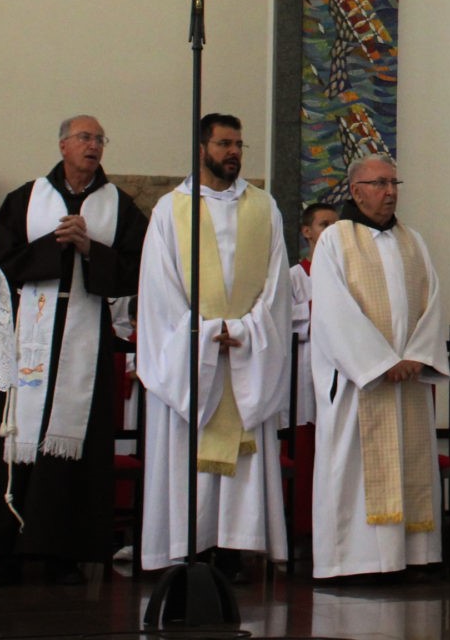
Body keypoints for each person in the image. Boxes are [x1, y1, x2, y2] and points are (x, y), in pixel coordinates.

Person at [0, 115, 148, 586]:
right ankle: (6, 553)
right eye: (84, 138)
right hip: (28, 332)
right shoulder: (25, 199)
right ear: (63, 145)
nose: (94, 146)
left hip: (86, 335)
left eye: (99, 139)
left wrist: (90, 249)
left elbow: (138, 269)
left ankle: (63, 554)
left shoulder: (120, 206)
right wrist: (57, 246)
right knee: (16, 434)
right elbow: (0, 265)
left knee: (77, 444)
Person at [137, 114, 291, 578]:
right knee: (188, 459)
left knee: (244, 459)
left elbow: (277, 286)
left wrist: (245, 331)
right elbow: (158, 289)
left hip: (246, 353)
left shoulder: (264, 207)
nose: (234, 152)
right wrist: (202, 335)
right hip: (192, 361)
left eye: (239, 144)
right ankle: (190, 547)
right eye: (224, 143)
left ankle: (234, 549)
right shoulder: (170, 210)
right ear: (201, 147)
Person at [308, 153, 449, 581]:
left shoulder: (413, 241)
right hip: (361, 384)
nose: (390, 192)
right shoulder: (335, 240)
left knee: (411, 462)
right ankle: (357, 561)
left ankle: (410, 557)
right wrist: (380, 362)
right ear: (356, 191)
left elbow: (433, 301)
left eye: (393, 183)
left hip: (407, 381)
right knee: (354, 472)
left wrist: (416, 356)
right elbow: (333, 311)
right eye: (380, 184)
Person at [288, 202, 339, 430]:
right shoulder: (294, 277)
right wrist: (317, 309)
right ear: (307, 231)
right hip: (305, 364)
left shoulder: (346, 275)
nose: (332, 231)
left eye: (336, 226)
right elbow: (281, 318)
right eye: (325, 225)